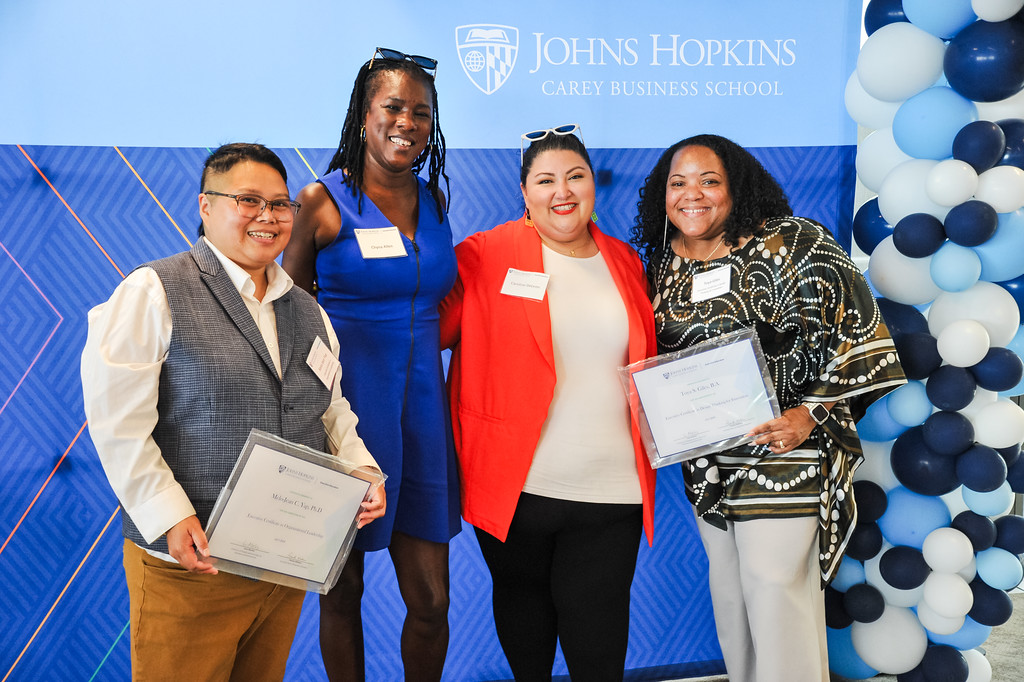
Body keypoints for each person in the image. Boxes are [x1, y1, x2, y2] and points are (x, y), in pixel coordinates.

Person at [81, 142, 386, 681]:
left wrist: (362, 467)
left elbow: (330, 408)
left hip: (282, 564)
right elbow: (118, 424)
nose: (268, 216)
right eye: (248, 200)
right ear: (205, 206)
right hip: (191, 564)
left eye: (280, 204)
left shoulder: (308, 309)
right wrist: (169, 515)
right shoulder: (154, 289)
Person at [631, 133, 905, 681]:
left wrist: (812, 414)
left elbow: (863, 334)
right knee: (732, 595)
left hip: (785, 448)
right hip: (707, 460)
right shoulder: (661, 265)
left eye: (710, 181)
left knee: (776, 588)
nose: (693, 195)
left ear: (738, 188)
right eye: (678, 183)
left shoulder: (794, 243)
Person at [440, 125, 657, 681]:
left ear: (592, 184)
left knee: (599, 648)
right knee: (526, 634)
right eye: (545, 180)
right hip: (516, 488)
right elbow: (426, 329)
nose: (562, 191)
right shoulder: (485, 254)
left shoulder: (626, 262)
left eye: (575, 176)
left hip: (613, 491)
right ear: (524, 191)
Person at [281, 47, 459, 682]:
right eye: (392, 106)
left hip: (423, 422)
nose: (406, 122)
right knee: (342, 589)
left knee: (432, 601)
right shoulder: (321, 202)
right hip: (346, 421)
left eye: (421, 112)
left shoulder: (435, 199)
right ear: (363, 114)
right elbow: (287, 321)